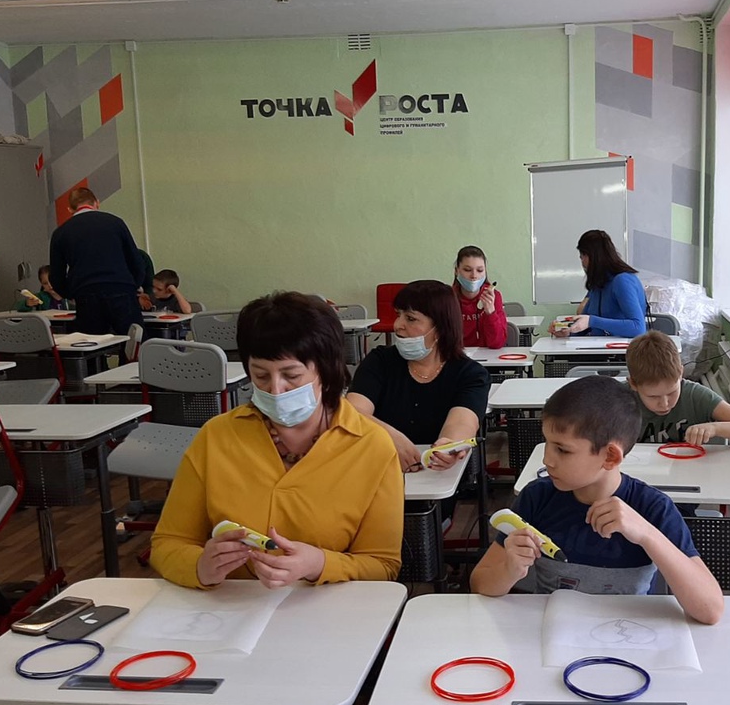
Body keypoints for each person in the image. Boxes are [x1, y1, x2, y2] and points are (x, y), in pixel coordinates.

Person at [470, 375, 722, 705]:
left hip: (630, 663)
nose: (547, 459)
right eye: (547, 443)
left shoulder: (652, 508)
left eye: (562, 449)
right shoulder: (537, 498)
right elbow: (481, 583)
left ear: (610, 457)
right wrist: (509, 568)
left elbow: (710, 608)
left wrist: (647, 535)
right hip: (546, 660)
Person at [150, 292, 403, 589]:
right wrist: (200, 566)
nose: (276, 390)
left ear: (326, 370)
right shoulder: (217, 436)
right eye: (261, 376)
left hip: (325, 607)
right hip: (230, 607)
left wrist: (319, 564)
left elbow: (383, 565)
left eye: (291, 375)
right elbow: (168, 543)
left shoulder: (371, 445)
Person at [348, 280, 490, 473]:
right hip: (378, 471)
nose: (398, 325)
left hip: (435, 477)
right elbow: (353, 413)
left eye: (411, 319)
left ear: (440, 328)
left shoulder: (471, 374)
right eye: (398, 315)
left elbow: (462, 422)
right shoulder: (379, 361)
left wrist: (448, 446)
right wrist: (388, 437)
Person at [625, 331, 730, 445]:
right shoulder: (620, 400)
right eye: (653, 396)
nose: (664, 403)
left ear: (681, 374)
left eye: (672, 392)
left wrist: (715, 428)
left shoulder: (694, 395)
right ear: (633, 384)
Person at [48, 187, 144, 336]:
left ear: (70, 209)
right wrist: (134, 285)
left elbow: (56, 275)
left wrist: (70, 293)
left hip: (86, 293)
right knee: (133, 341)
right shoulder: (115, 223)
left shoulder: (61, 232)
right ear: (97, 203)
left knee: (93, 343)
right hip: (120, 289)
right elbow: (136, 260)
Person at [549, 229, 648, 338]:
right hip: (599, 346)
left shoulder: (622, 281)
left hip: (621, 348)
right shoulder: (598, 284)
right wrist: (568, 332)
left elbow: (638, 328)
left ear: (593, 256)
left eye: (583, 256)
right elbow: (586, 325)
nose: (582, 263)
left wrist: (592, 321)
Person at [451, 245, 507, 348]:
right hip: (458, 355)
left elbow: (497, 343)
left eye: (480, 270)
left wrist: (490, 313)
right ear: (456, 271)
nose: (474, 276)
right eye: (467, 270)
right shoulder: (448, 297)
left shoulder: (494, 296)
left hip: (487, 356)